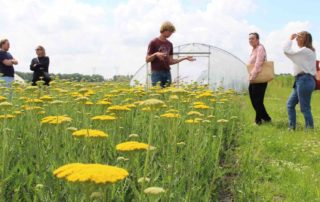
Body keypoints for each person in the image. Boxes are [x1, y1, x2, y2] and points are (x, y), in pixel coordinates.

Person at [146, 21, 195, 87]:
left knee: (167, 94)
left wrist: (185, 58)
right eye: (169, 31)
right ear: (163, 30)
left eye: (172, 32)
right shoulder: (154, 42)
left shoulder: (169, 44)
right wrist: (156, 54)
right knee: (157, 95)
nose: (171, 33)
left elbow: (171, 61)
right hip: (156, 73)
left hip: (167, 72)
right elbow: (147, 60)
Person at [283, 31, 316, 130]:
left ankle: (309, 129)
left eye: (299, 38)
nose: (297, 39)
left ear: (305, 39)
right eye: (297, 38)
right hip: (301, 80)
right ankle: (291, 128)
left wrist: (290, 39)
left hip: (304, 80)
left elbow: (286, 51)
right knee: (290, 104)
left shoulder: (305, 51)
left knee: (304, 107)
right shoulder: (307, 51)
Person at [248, 32, 272, 125]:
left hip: (259, 78)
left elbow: (259, 63)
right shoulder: (254, 49)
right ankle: (266, 118)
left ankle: (259, 121)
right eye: (249, 39)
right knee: (254, 99)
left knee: (257, 100)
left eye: (252, 38)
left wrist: (253, 75)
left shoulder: (260, 48)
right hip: (254, 77)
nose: (250, 40)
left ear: (257, 39)